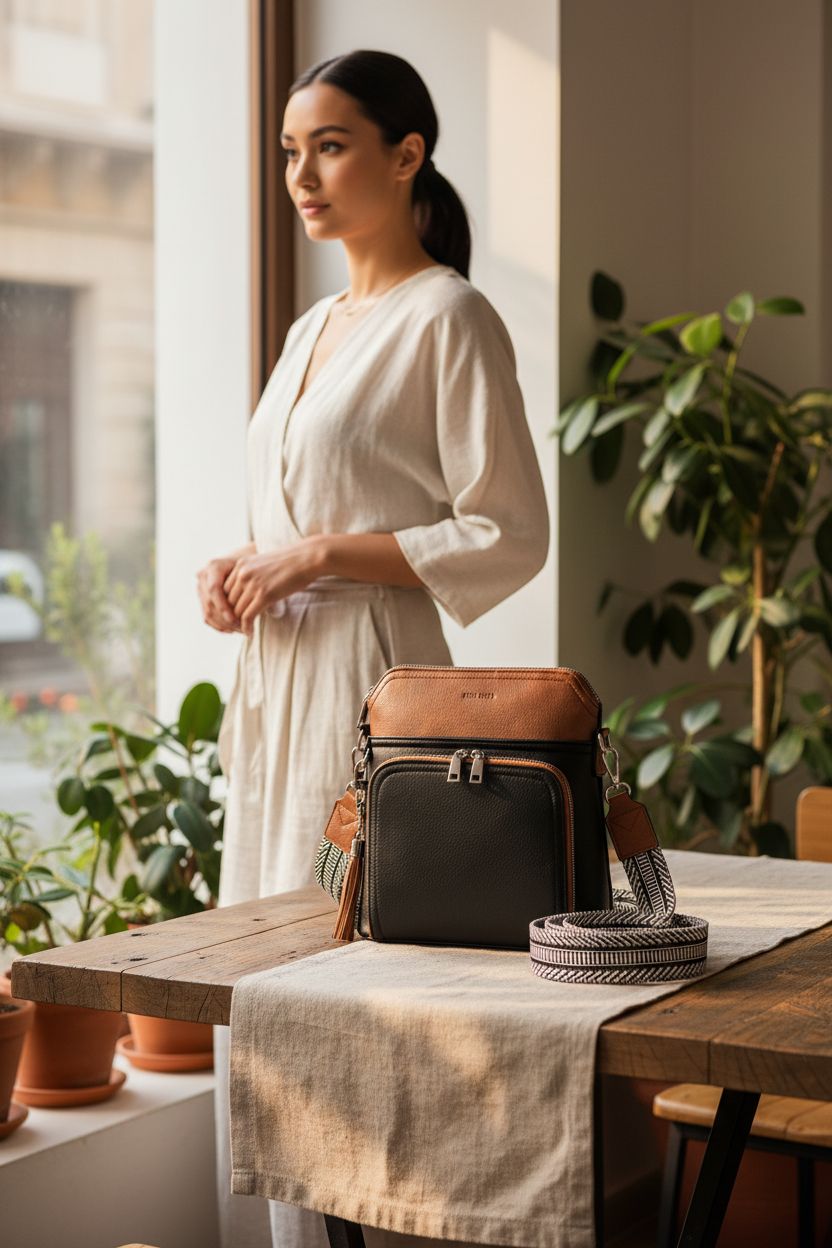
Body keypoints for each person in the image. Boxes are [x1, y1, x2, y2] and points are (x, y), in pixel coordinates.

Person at [197, 48, 550, 1248]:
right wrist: (250, 563)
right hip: (280, 681)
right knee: (265, 967)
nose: (302, 172)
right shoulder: (310, 331)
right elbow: (300, 516)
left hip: (373, 686)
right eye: (290, 149)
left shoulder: (448, 315)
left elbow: (507, 528)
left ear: (406, 155)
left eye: (331, 144)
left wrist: (319, 556)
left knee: (346, 978)